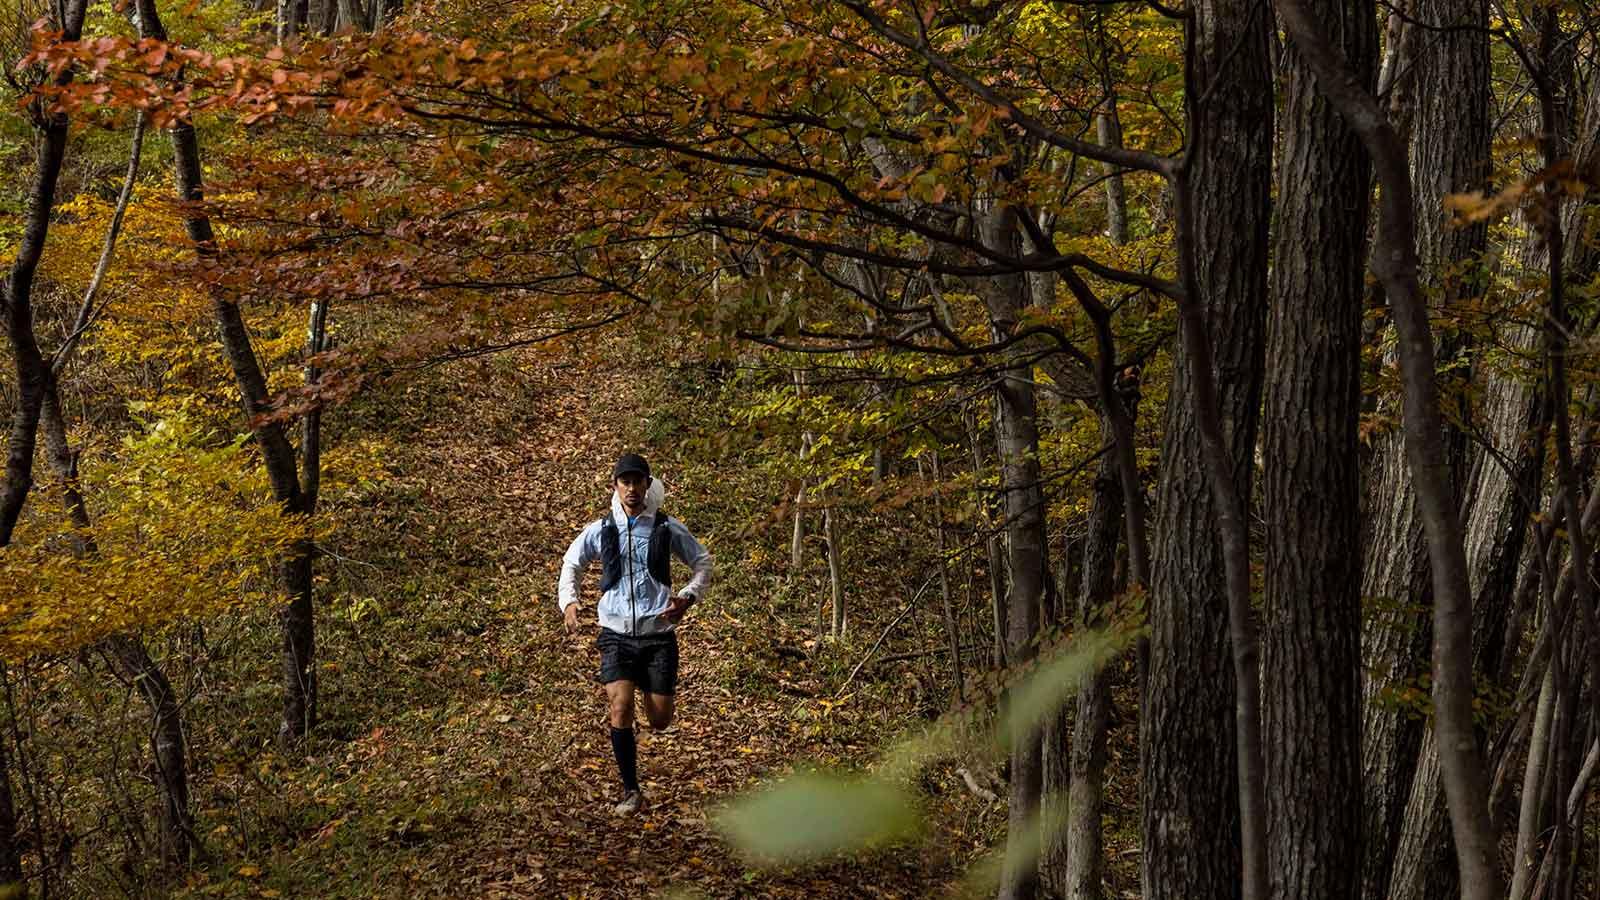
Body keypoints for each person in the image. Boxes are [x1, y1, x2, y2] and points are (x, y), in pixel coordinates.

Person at [558, 452, 712, 816]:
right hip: (615, 633)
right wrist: (570, 602)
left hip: (658, 634)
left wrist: (687, 598)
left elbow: (702, 562)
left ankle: (648, 688)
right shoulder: (602, 528)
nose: (631, 488)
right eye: (624, 481)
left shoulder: (665, 526)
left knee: (660, 719)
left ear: (647, 484)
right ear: (615, 486)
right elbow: (572, 563)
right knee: (620, 707)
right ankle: (631, 790)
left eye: (637, 481)